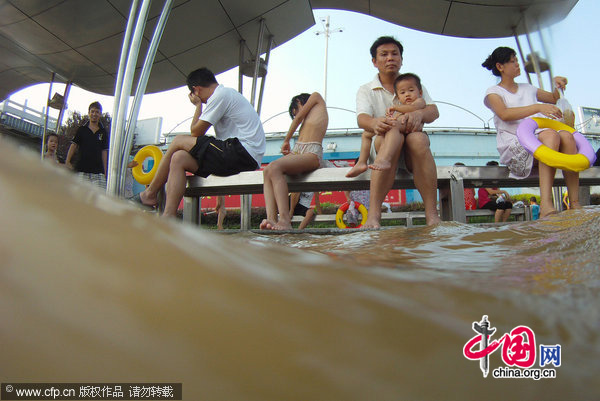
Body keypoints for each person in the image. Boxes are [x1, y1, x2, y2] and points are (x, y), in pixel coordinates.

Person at [136, 67, 265, 217]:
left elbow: (195, 132)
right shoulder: (225, 95)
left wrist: (198, 106)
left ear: (196, 90)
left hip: (242, 151)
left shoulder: (220, 95)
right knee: (178, 158)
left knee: (178, 140)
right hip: (239, 155)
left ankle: (150, 193)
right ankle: (168, 216)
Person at [482, 46, 579, 218]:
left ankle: (575, 202)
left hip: (540, 136)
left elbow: (553, 98)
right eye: (512, 61)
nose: (517, 64)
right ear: (500, 66)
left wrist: (558, 84)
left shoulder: (528, 88)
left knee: (567, 137)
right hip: (515, 140)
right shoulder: (493, 92)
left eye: (517, 60)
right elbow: (504, 114)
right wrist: (537, 107)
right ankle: (546, 205)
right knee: (551, 135)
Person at [355, 36, 440, 228]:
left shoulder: (414, 84)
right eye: (383, 54)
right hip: (384, 146)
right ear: (374, 62)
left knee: (418, 139)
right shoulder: (366, 89)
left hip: (413, 151)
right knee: (380, 140)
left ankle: (432, 215)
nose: (390, 58)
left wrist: (419, 114)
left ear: (402, 59)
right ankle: (374, 216)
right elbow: (362, 118)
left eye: (395, 54)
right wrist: (376, 123)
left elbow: (433, 111)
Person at [260, 92, 328, 230]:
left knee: (274, 167)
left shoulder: (316, 98)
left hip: (312, 153)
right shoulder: (307, 122)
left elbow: (298, 119)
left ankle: (285, 219)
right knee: (267, 170)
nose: (296, 114)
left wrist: (286, 140)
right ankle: (272, 219)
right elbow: (300, 122)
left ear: (300, 101)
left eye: (295, 110)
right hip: (299, 152)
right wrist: (291, 154)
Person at [347, 72, 426, 177]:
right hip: (396, 126)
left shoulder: (419, 101)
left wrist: (395, 108)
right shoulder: (400, 104)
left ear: (420, 92)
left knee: (393, 127)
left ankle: (386, 158)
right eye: (402, 93)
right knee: (366, 134)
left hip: (408, 127)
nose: (407, 94)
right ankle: (361, 162)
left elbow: (413, 108)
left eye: (411, 91)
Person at [65, 101, 109, 189]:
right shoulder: (82, 130)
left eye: (97, 112)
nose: (94, 114)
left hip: (98, 173)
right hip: (82, 171)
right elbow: (74, 145)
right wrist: (68, 161)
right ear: (89, 113)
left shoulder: (103, 132)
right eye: (92, 111)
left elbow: (104, 152)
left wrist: (105, 172)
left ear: (100, 114)